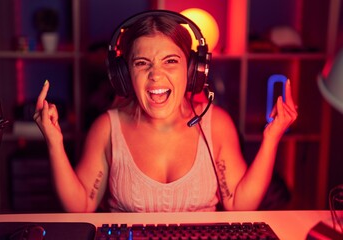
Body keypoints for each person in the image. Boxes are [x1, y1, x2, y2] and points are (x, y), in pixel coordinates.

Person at [33, 11, 297, 213]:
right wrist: (55, 143)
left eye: (170, 61)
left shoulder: (216, 124)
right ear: (124, 75)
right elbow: (81, 206)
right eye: (141, 63)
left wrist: (272, 138)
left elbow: (239, 204)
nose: (155, 75)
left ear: (193, 71)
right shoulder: (106, 128)